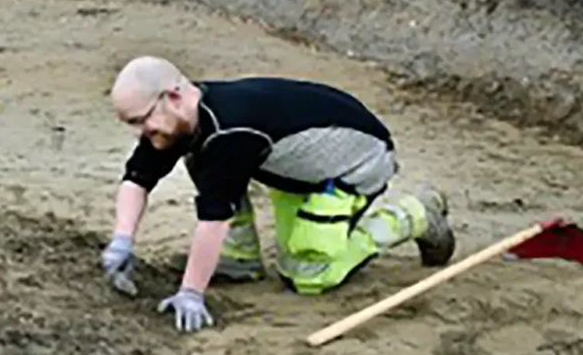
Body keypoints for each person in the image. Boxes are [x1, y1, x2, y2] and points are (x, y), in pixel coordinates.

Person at [99, 56, 455, 333]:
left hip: (352, 168)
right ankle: (241, 258)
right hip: (295, 171)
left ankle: (416, 215)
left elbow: (214, 219)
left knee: (308, 275)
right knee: (203, 157)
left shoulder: (230, 130)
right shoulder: (181, 120)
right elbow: (137, 179)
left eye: (139, 120)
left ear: (173, 96)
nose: (138, 132)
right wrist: (122, 240)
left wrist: (191, 293)